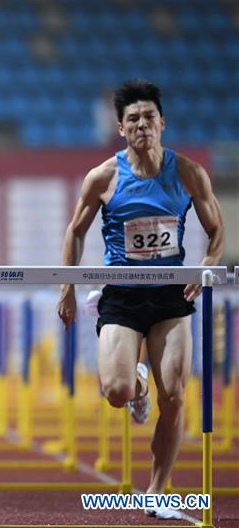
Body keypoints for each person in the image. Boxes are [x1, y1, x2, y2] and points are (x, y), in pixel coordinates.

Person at [56, 80, 223, 520]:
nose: (143, 125)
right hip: (122, 297)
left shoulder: (187, 172)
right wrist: (67, 288)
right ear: (121, 128)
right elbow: (75, 231)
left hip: (171, 296)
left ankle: (156, 491)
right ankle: (138, 382)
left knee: (176, 396)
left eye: (150, 117)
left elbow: (217, 229)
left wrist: (208, 263)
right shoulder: (104, 177)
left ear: (162, 123)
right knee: (116, 390)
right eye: (133, 119)